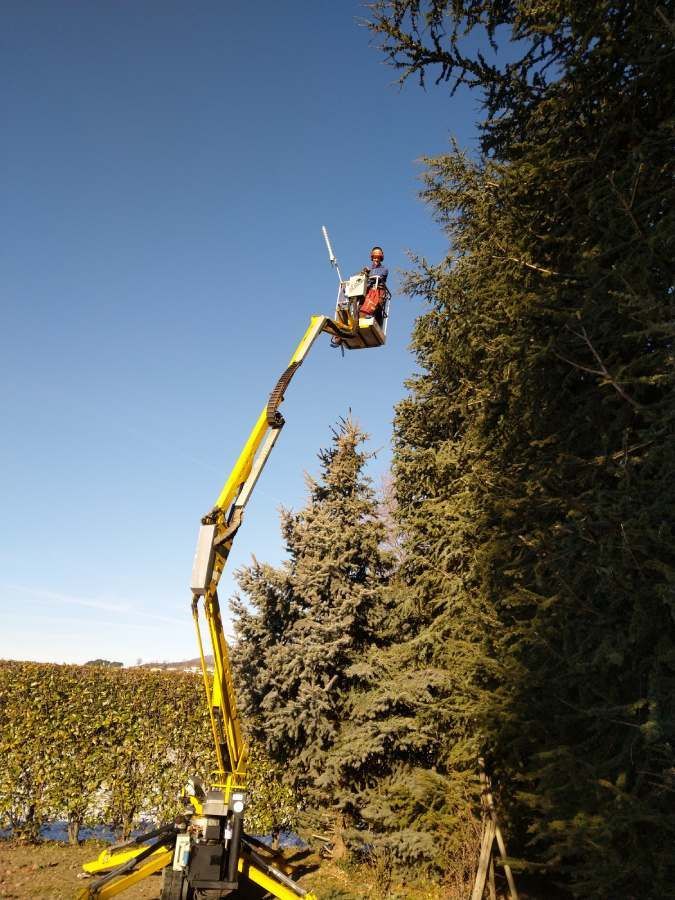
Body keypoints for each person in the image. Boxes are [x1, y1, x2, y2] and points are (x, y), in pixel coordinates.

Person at [360, 246, 388, 320]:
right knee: (359, 296)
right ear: (372, 258)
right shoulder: (369, 269)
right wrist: (364, 273)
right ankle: (356, 314)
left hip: (378, 290)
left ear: (380, 258)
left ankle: (371, 315)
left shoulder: (384, 269)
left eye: (378, 258)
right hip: (368, 290)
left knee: (374, 299)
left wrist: (369, 275)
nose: (376, 259)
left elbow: (380, 277)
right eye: (375, 257)